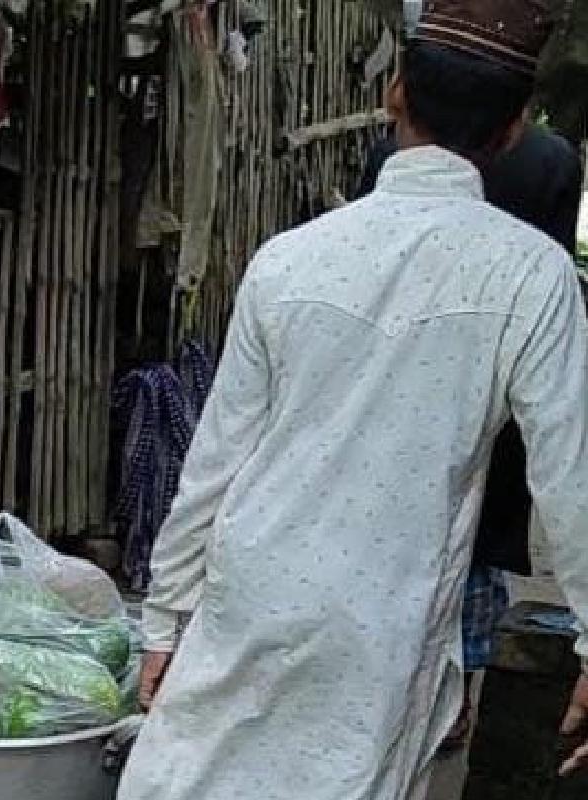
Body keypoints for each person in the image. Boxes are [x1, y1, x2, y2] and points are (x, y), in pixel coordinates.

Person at [118, 2, 588, 798]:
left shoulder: (290, 260)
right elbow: (570, 479)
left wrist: (166, 618)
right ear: (514, 129)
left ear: (394, 92)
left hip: (253, 588)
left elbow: (215, 461)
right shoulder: (530, 275)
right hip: (387, 614)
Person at [355, 83, 584, 753]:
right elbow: (549, 276)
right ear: (514, 116)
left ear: (403, 96)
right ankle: (451, 715)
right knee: (476, 537)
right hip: (497, 391)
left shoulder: (386, 157)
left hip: (400, 386)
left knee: (387, 544)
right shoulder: (550, 163)